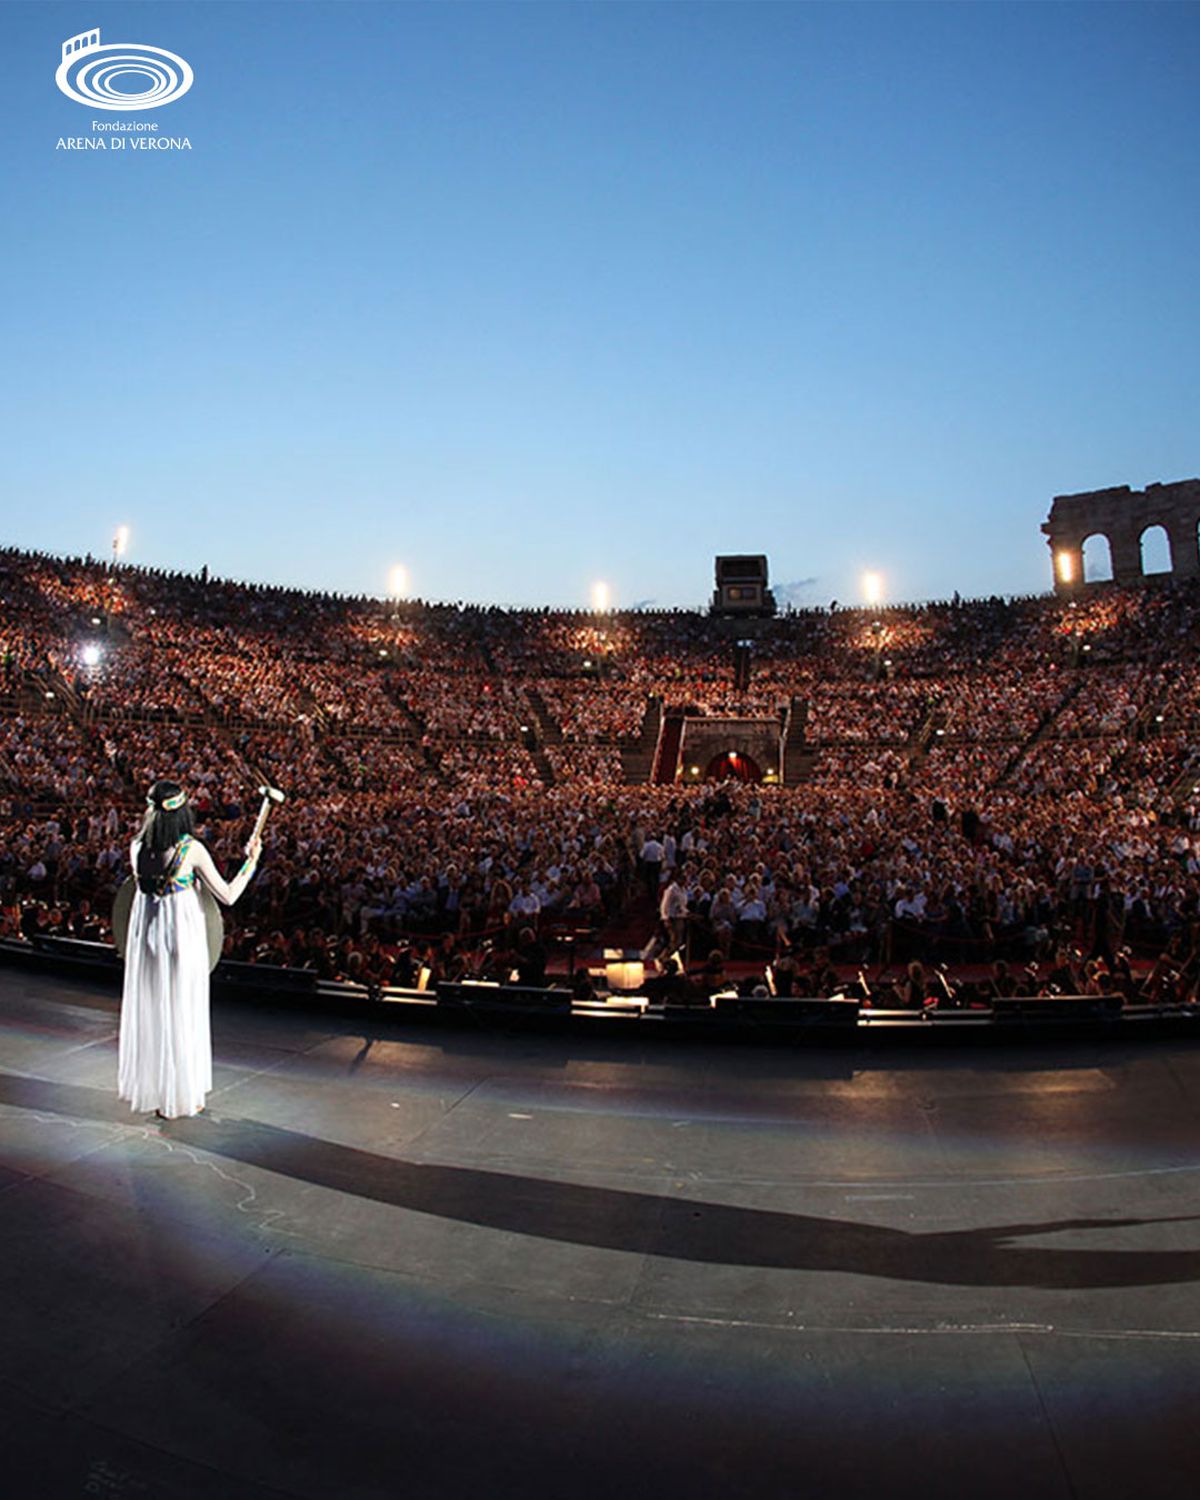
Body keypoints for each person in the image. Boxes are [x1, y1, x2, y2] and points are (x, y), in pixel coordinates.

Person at [118, 780, 262, 1120]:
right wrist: (251, 862)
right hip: (180, 938)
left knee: (156, 1012)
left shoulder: (136, 847)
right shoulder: (191, 850)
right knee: (182, 1011)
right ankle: (180, 1097)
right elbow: (227, 895)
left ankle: (158, 1092)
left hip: (148, 938)